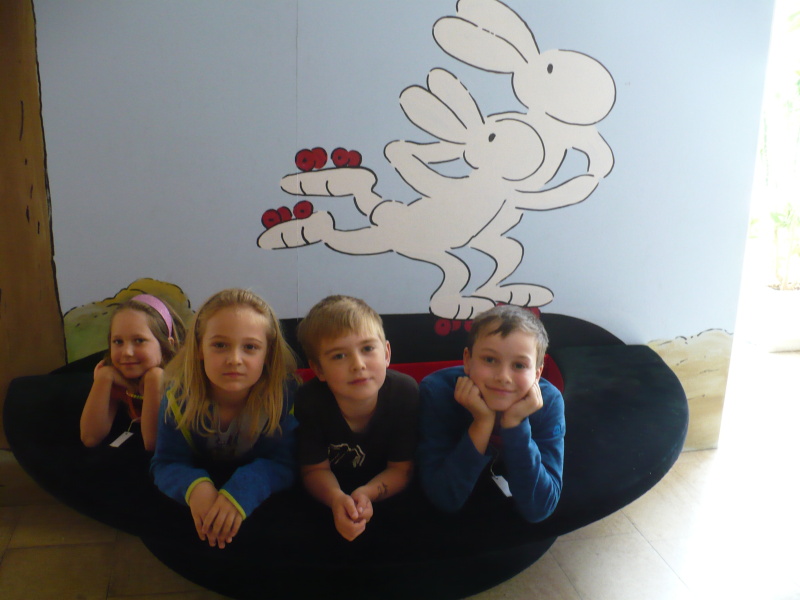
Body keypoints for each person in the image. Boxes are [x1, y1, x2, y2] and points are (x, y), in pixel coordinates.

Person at [151, 289, 298, 549]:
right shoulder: (177, 398)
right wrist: (195, 487)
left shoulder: (285, 399)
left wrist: (246, 486)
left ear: (268, 354)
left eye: (250, 347)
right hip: (205, 499)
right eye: (220, 345)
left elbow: (286, 463)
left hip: (254, 500)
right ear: (199, 348)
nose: (234, 360)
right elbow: (166, 462)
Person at [417, 304, 565, 523]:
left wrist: (516, 425)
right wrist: (482, 423)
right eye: (489, 359)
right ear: (467, 360)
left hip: (512, 519)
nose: (503, 377)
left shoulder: (549, 402)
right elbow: (444, 498)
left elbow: (540, 507)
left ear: (537, 373)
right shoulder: (436, 391)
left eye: (519, 365)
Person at [294, 295, 419, 542]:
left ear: (386, 353)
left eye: (368, 349)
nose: (358, 364)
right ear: (318, 369)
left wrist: (367, 494)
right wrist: (336, 499)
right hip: (326, 496)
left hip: (386, 494)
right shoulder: (309, 401)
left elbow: (401, 469)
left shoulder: (405, 392)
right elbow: (314, 470)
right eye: (339, 356)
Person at [81, 294, 185, 452]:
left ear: (166, 346)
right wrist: (104, 376)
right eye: (118, 342)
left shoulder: (182, 378)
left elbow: (153, 443)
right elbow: (90, 438)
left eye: (139, 340)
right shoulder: (113, 373)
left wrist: (153, 380)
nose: (127, 352)